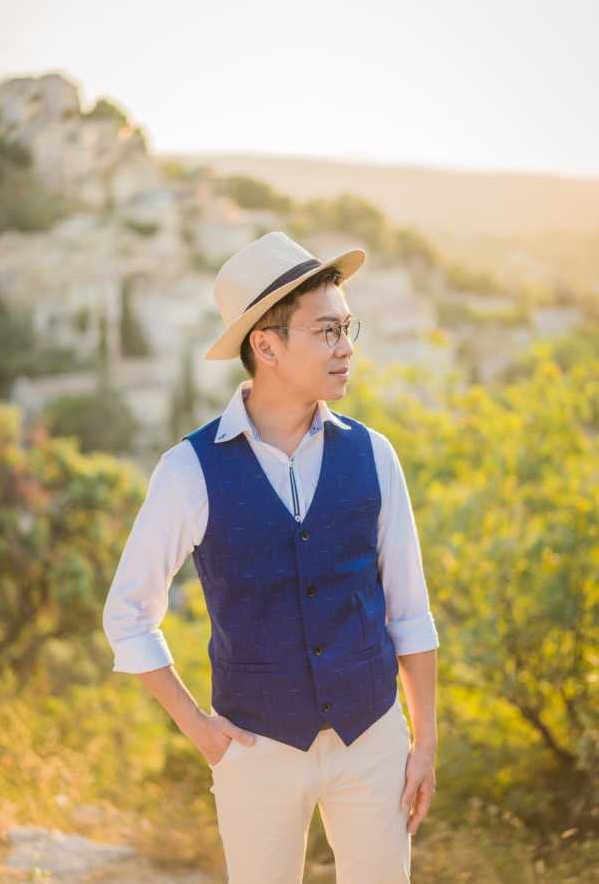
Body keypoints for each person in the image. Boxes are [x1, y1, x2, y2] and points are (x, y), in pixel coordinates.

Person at [103, 231, 440, 884]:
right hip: (255, 749)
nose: (346, 347)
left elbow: (410, 610)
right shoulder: (189, 470)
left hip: (373, 739)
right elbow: (128, 615)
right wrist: (201, 730)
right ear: (267, 345)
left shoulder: (374, 455)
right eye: (325, 331)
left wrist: (423, 741)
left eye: (348, 327)